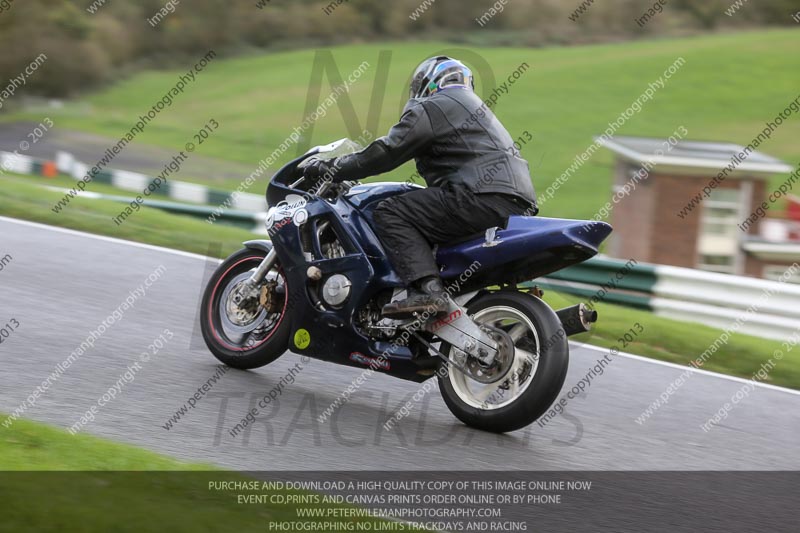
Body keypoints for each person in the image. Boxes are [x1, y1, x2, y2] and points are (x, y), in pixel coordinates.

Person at [302, 56, 537, 318]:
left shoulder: (435, 105)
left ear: (426, 83)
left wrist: (331, 167)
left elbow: (387, 152)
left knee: (390, 211)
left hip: (479, 197)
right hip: (516, 204)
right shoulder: (474, 108)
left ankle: (428, 291)